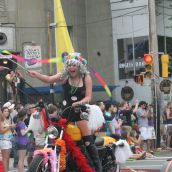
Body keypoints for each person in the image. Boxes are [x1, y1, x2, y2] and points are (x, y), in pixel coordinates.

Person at [28, 52, 102, 171]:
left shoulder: (86, 77)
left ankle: (97, 169)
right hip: (66, 111)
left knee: (88, 141)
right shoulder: (64, 76)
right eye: (69, 65)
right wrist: (36, 74)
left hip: (80, 111)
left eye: (74, 65)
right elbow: (49, 79)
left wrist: (80, 102)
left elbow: (89, 97)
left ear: (79, 66)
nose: (71, 68)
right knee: (58, 137)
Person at [0, 107, 16, 172]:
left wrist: (12, 128)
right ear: (2, 112)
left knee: (7, 158)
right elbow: (1, 131)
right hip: (4, 140)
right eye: (5, 111)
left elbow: (10, 130)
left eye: (7, 111)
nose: (7, 112)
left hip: (9, 140)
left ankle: (7, 170)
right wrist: (9, 126)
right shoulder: (1, 120)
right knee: (5, 158)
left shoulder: (7, 120)